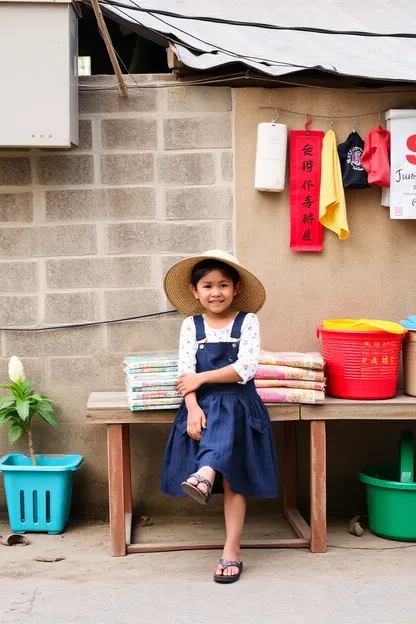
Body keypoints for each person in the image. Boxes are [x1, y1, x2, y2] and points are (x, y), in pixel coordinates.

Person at [161, 250, 278, 584]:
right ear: (195, 290)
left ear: (236, 288)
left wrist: (201, 378)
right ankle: (209, 471)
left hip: (240, 405)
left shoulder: (248, 321)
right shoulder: (191, 325)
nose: (216, 292)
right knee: (222, 432)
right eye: (208, 285)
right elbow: (186, 369)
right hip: (203, 407)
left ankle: (231, 546)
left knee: (234, 478)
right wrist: (193, 407)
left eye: (223, 284)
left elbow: (246, 368)